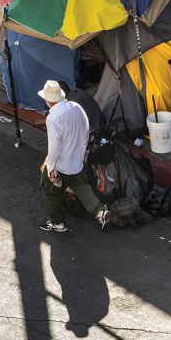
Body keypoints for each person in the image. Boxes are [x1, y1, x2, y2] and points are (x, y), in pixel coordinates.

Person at [37, 80, 110, 233]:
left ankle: (58, 223)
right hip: (77, 160)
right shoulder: (76, 107)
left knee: (51, 190)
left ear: (49, 99)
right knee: (81, 185)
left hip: (62, 164)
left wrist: (51, 169)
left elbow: (54, 147)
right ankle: (101, 212)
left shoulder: (52, 118)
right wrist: (83, 150)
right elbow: (86, 128)